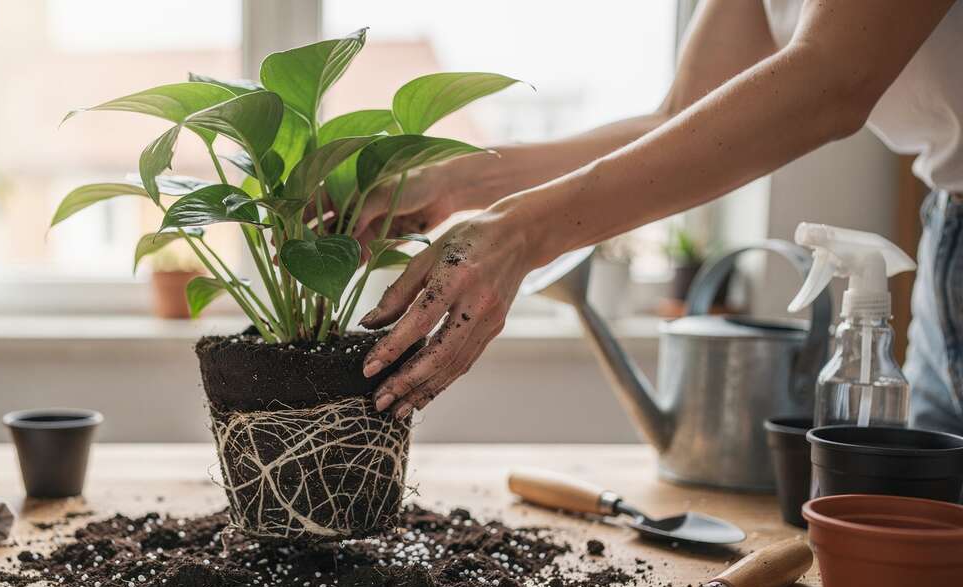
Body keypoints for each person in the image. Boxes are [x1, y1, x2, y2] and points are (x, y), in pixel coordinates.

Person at [354, 0, 962, 429]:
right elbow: (685, 118)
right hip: (947, 235)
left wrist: (525, 231)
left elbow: (834, 76)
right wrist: (461, 181)